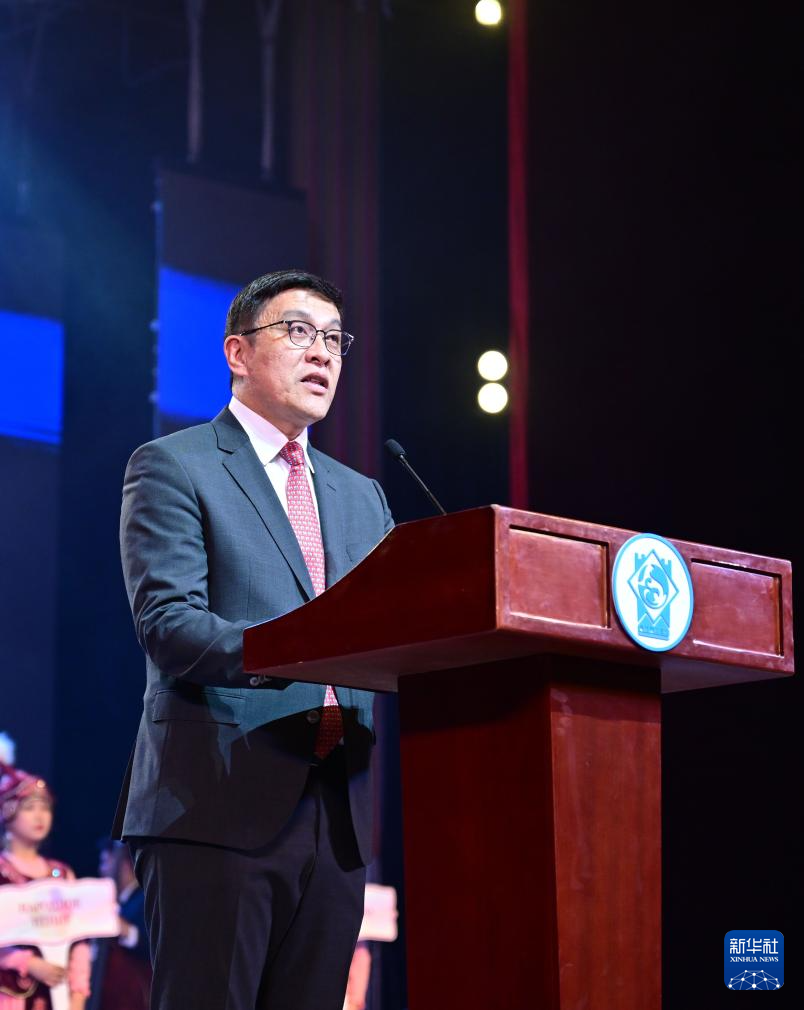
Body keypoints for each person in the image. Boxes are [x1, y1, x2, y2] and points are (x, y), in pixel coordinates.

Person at [114, 269, 393, 1010]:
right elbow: (170, 624)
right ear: (238, 352)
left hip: (338, 815)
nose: (322, 353)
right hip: (216, 802)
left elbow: (394, 631)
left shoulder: (363, 495)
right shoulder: (174, 465)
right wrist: (304, 648)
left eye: (334, 339)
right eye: (299, 332)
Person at [0, 751, 91, 1010]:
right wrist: (28, 963)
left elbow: (79, 939)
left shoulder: (61, 873)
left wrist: (77, 995)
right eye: (29, 808)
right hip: (10, 995)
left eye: (45, 808)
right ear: (8, 813)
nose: (39, 816)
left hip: (58, 996)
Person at [88, 841, 150, 1010]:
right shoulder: (116, 903)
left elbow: (154, 945)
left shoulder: (144, 899)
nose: (101, 870)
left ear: (124, 865)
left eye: (105, 862)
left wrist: (125, 929)